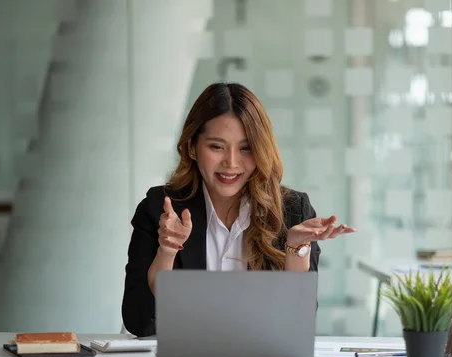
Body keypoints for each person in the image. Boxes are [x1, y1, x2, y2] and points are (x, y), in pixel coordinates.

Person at [121, 82, 356, 337]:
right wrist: (166, 251)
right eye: (216, 147)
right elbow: (139, 321)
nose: (231, 163)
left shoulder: (292, 210)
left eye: (246, 148)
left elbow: (297, 324)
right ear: (192, 148)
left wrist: (295, 248)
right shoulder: (160, 209)